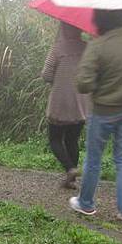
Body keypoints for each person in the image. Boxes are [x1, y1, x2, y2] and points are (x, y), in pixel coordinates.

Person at [69, 9, 122, 223]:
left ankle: (85, 203)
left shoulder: (98, 44)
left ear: (100, 19)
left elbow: (83, 83)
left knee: (94, 158)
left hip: (103, 110)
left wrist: (101, 82)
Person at [41, 23, 90, 189]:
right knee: (72, 140)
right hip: (82, 103)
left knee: (55, 139)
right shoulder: (87, 48)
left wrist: (59, 78)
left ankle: (70, 169)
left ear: (64, 28)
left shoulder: (58, 49)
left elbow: (46, 75)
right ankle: (71, 180)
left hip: (60, 102)